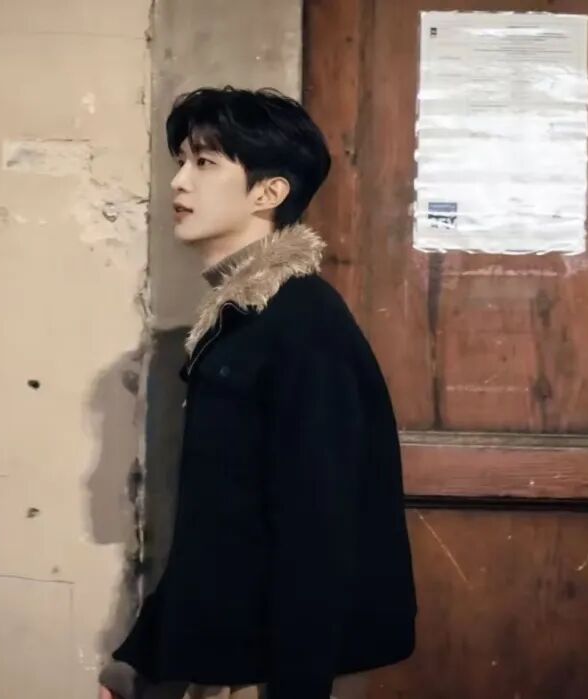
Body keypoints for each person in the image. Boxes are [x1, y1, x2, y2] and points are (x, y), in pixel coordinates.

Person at [99, 86, 417, 699]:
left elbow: (319, 527)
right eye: (181, 162)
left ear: (268, 193)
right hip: (232, 657)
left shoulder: (301, 323)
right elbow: (217, 521)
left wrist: (296, 688)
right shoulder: (239, 318)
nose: (178, 182)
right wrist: (142, 664)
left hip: (274, 670)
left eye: (205, 163)